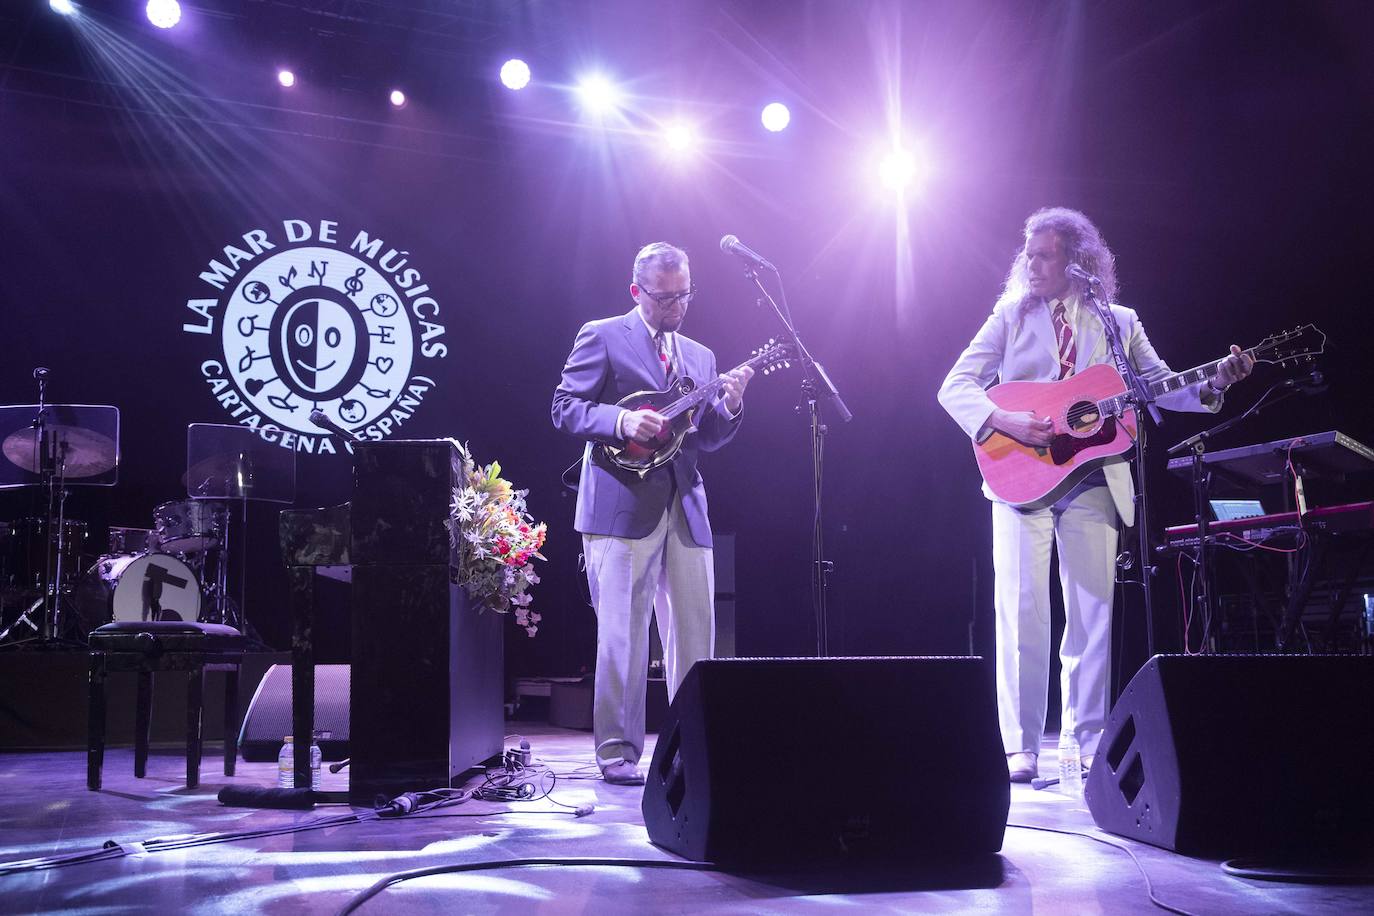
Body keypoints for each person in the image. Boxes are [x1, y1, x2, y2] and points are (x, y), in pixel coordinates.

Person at [937, 208, 1253, 782]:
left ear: (1076, 261)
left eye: (1044, 254)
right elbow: (954, 385)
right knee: (1022, 610)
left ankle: (1085, 743)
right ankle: (1020, 746)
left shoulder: (1119, 321)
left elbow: (1157, 388)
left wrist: (1214, 383)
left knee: (1092, 613)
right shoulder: (1009, 318)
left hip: (1094, 479)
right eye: (1027, 254)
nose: (1031, 264)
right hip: (1019, 480)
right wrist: (1006, 421)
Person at [552, 241, 753, 786]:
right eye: (664, 298)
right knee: (622, 633)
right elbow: (564, 408)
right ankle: (618, 752)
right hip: (619, 507)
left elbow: (706, 436)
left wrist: (731, 405)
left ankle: (694, 747)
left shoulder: (701, 356)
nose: (676, 307)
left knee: (696, 635)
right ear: (636, 291)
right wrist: (621, 424)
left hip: (686, 505)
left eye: (684, 295)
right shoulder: (602, 335)